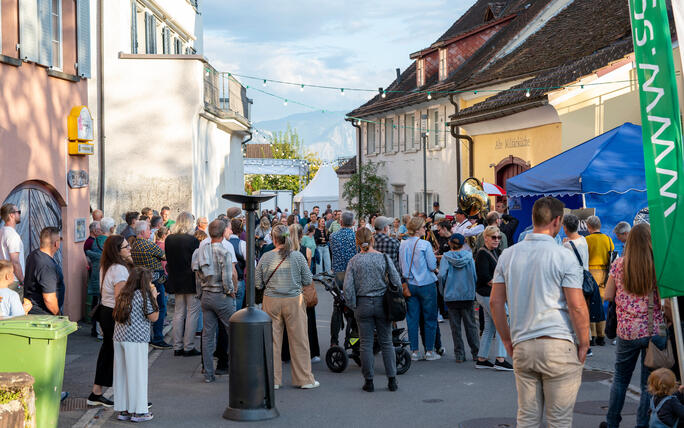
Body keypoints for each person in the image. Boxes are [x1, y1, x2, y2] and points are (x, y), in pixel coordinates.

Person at [490, 196, 588, 427]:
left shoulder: (508, 254)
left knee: (527, 418)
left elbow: (496, 302)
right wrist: (584, 342)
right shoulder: (564, 256)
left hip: (523, 342)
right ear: (556, 221)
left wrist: (506, 339)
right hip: (558, 343)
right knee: (559, 420)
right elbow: (576, 305)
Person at [600, 223, 664, 428]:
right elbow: (665, 299)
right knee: (648, 384)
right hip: (654, 330)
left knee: (620, 380)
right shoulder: (658, 265)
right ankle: (642, 424)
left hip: (627, 331)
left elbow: (608, 295)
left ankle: (612, 422)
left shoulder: (619, 265)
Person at [255, 225, 319, 389]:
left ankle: (273, 379)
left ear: (274, 239)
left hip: (271, 300)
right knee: (299, 340)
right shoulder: (297, 256)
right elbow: (307, 279)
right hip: (293, 300)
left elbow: (258, 283)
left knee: (273, 341)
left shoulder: (266, 256)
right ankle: (304, 379)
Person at [344, 228, 399, 392]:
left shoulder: (354, 261)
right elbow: (395, 279)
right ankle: (392, 380)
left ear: (357, 242)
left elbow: (347, 288)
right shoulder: (383, 257)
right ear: (372, 240)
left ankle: (369, 381)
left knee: (366, 344)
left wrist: (353, 304)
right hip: (382, 302)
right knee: (387, 342)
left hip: (363, 303)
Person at [88, 235, 132, 407]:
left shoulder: (108, 266)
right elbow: (120, 299)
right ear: (117, 251)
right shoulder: (119, 270)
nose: (130, 249)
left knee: (108, 352)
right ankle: (128, 398)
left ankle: (96, 392)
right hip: (114, 314)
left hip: (106, 312)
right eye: (126, 247)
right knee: (119, 354)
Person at [192, 220, 237, 383]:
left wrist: (200, 294)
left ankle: (208, 373)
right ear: (223, 231)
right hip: (221, 296)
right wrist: (230, 291)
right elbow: (227, 277)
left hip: (206, 295)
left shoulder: (201, 251)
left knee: (208, 335)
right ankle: (236, 369)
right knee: (234, 332)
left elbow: (197, 277)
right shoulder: (224, 252)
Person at [112, 267, 158, 422]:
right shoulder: (144, 296)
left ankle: (124, 409)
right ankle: (139, 411)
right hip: (136, 339)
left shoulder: (123, 295)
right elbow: (154, 317)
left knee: (122, 374)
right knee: (138, 375)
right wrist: (154, 297)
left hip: (119, 337)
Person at [400, 216, 440, 361]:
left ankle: (414, 351)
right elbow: (431, 265)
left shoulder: (403, 244)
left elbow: (401, 264)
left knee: (412, 319)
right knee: (429, 318)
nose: (425, 229)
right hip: (426, 283)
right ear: (417, 230)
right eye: (423, 227)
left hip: (410, 283)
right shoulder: (425, 244)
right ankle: (429, 350)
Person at [473, 226, 512, 370]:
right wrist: (502, 286)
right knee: (503, 324)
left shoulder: (493, 251)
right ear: (486, 238)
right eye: (494, 237)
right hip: (488, 294)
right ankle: (500, 359)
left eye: (499, 237)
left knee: (489, 326)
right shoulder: (483, 253)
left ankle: (482, 358)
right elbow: (484, 277)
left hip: (488, 294)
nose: (497, 240)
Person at [164, 212, 201, 356]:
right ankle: (188, 346)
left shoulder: (169, 239)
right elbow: (196, 261)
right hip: (190, 278)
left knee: (178, 313)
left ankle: (177, 345)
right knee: (192, 313)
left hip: (175, 278)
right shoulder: (192, 240)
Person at [438, 234, 479, 363]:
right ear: (463, 243)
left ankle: (460, 354)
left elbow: (441, 276)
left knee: (455, 327)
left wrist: (443, 291)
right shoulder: (469, 257)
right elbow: (474, 275)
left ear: (450, 243)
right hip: (467, 295)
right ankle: (476, 352)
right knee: (471, 325)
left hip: (451, 295)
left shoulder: (446, 258)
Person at [130, 221, 170, 350]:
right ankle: (158, 338)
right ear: (142, 232)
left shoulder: (134, 245)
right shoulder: (148, 245)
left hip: (141, 279)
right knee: (160, 307)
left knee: (145, 308)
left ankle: (148, 336)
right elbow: (164, 256)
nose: (150, 232)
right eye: (148, 229)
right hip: (155, 280)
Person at [562, 214, 595, 356]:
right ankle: (586, 342)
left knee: (572, 314)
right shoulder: (583, 240)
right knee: (583, 312)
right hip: (585, 280)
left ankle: (577, 344)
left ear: (565, 227)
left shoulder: (566, 246)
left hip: (573, 282)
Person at [290, 223, 320, 363]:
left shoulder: (284, 251)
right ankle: (312, 352)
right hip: (303, 288)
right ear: (302, 235)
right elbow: (307, 272)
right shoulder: (306, 251)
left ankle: (287, 353)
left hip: (289, 289)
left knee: (289, 322)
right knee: (309, 320)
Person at [329, 211, 357, 346]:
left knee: (337, 307)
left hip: (339, 275)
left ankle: (334, 341)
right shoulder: (356, 237)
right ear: (353, 223)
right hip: (352, 275)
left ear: (340, 222)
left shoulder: (333, 236)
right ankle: (353, 339)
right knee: (354, 309)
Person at [585, 215, 614, 346]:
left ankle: (592, 335)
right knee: (601, 306)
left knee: (589, 305)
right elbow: (612, 255)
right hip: (605, 274)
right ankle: (601, 336)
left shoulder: (586, 240)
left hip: (590, 274)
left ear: (588, 226)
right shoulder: (608, 239)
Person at [23, 227, 62, 315]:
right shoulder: (46, 265)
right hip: (44, 315)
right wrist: (58, 314)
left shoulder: (33, 255)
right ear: (56, 243)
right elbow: (49, 298)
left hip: (33, 310)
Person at [0, 203, 25, 295]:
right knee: (17, 308)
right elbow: (15, 261)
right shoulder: (12, 235)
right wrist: (22, 281)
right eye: (18, 212)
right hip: (13, 281)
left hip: (3, 279)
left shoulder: (1, 232)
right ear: (12, 215)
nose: (19, 214)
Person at [228, 218, 247, 310]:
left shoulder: (223, 242)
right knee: (237, 311)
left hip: (224, 280)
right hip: (238, 278)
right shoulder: (242, 244)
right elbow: (251, 262)